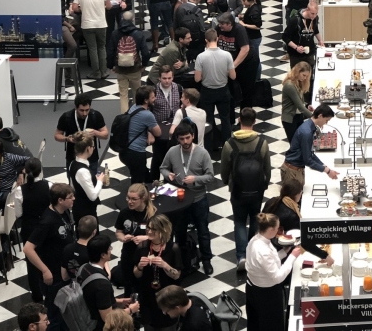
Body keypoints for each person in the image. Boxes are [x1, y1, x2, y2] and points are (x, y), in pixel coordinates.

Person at [161, 122, 215, 276]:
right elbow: (163, 168)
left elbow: (210, 176)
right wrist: (168, 175)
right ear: (177, 139)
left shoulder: (202, 153)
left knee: (203, 230)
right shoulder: (172, 152)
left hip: (198, 198)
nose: (185, 141)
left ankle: (206, 260)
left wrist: (195, 179)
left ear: (193, 136)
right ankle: (182, 261)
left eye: (187, 138)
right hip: (180, 200)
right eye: (182, 139)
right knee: (180, 231)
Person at [221, 107, 271, 271]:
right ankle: (253, 253)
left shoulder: (229, 144)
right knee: (256, 219)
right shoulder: (262, 143)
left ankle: (242, 256)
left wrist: (227, 182)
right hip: (257, 189)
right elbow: (267, 168)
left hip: (238, 190)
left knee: (239, 221)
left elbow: (224, 170)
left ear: (239, 120)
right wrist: (264, 184)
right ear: (254, 121)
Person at [24, 183, 77, 331]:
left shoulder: (65, 212)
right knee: (53, 316)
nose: (74, 199)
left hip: (64, 272)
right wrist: (45, 270)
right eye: (70, 197)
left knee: (65, 312)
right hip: (53, 276)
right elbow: (28, 249)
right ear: (60, 200)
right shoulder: (47, 221)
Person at [245, 213, 303, 331]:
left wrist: (285, 251)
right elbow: (277, 277)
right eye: (277, 228)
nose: (279, 231)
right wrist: (292, 256)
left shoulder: (255, 239)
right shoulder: (263, 250)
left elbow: (267, 263)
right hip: (266, 294)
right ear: (271, 229)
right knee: (272, 325)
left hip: (253, 288)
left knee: (255, 323)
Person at [263, 179, 334, 264]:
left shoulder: (272, 201)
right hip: (280, 250)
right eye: (301, 193)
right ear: (297, 194)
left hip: (266, 243)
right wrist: (325, 255)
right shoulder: (291, 215)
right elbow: (304, 241)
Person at [132, 214, 183, 330]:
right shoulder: (142, 247)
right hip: (148, 296)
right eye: (148, 228)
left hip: (167, 296)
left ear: (163, 230)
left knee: (167, 326)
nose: (149, 232)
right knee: (149, 326)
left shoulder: (173, 248)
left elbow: (177, 276)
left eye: (154, 229)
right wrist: (140, 267)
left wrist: (165, 265)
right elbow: (136, 274)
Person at [13, 158, 51, 303]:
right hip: (47, 228)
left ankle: (37, 295)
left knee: (32, 263)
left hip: (29, 229)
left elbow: (18, 214)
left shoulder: (20, 191)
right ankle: (49, 291)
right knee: (48, 258)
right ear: (40, 170)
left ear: (25, 171)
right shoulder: (49, 186)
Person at [114, 183, 156, 297]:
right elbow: (118, 232)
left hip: (146, 256)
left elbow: (162, 236)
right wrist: (123, 238)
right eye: (128, 198)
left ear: (143, 198)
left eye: (134, 199)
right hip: (128, 254)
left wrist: (146, 238)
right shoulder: (124, 213)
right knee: (128, 285)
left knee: (144, 286)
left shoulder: (152, 214)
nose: (130, 202)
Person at [281, 104, 339, 186]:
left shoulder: (309, 127)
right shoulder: (307, 132)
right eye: (326, 120)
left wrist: (324, 166)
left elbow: (310, 154)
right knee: (293, 194)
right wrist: (327, 171)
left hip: (297, 169)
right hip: (292, 171)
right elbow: (308, 160)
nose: (326, 123)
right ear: (320, 116)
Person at [199, 27, 237, 145]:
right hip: (223, 91)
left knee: (208, 120)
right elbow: (233, 76)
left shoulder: (201, 57)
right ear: (217, 39)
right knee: (225, 119)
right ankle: (227, 144)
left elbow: (197, 78)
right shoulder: (227, 55)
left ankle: (210, 145)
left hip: (207, 92)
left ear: (206, 40)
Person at [71, 0, 113, 79]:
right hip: (101, 24)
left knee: (92, 49)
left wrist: (82, 9)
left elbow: (74, 8)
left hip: (87, 25)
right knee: (101, 47)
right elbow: (109, 6)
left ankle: (96, 73)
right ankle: (104, 72)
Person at [107, 11, 150, 113]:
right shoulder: (138, 34)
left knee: (123, 94)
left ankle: (124, 117)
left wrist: (111, 66)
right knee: (137, 94)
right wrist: (144, 65)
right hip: (135, 68)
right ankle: (136, 115)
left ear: (122, 19)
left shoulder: (115, 33)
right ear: (133, 19)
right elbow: (145, 52)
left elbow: (110, 51)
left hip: (120, 69)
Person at [121, 86, 162, 184]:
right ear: (146, 100)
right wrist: (150, 131)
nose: (155, 99)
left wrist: (148, 131)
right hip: (136, 153)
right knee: (137, 182)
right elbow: (158, 133)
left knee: (145, 177)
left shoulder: (133, 107)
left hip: (125, 150)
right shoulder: (147, 115)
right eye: (153, 97)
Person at [150, 65, 183, 178]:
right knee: (157, 155)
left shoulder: (178, 88)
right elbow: (149, 109)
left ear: (173, 77)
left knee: (174, 154)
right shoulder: (153, 90)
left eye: (169, 78)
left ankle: (172, 178)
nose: (167, 81)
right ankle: (154, 180)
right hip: (158, 128)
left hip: (174, 126)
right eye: (164, 78)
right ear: (159, 78)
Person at [70, 134, 104, 222]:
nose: (93, 149)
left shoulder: (73, 163)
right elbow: (92, 196)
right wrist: (100, 181)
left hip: (79, 206)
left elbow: (73, 186)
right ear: (88, 148)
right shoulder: (82, 171)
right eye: (93, 147)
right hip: (85, 211)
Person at [282, 2, 323, 74]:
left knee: (309, 75)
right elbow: (285, 37)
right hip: (296, 55)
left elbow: (315, 30)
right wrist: (296, 47)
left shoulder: (315, 18)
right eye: (312, 13)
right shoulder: (295, 20)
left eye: (316, 13)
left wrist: (320, 40)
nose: (314, 16)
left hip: (309, 53)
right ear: (307, 10)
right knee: (296, 76)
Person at [281, 61, 313, 142]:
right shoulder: (289, 85)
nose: (305, 78)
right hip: (290, 119)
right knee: (295, 144)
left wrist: (307, 105)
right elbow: (300, 106)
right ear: (298, 72)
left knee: (300, 142)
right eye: (304, 75)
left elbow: (300, 100)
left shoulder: (298, 82)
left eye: (306, 76)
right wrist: (314, 117)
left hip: (298, 116)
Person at [61, 215, 97, 281]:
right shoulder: (93, 252)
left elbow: (64, 277)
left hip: (74, 284)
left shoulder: (67, 249)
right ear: (94, 232)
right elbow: (105, 276)